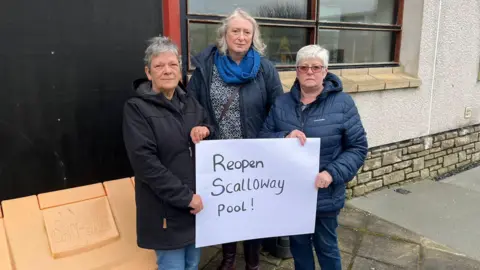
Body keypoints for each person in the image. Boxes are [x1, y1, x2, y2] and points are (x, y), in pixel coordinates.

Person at [186, 8, 284, 270]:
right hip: (219, 154)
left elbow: (278, 109)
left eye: (246, 32)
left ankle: (253, 262)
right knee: (225, 207)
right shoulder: (208, 67)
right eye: (235, 31)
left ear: (254, 37)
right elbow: (193, 105)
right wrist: (200, 126)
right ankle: (228, 259)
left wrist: (278, 138)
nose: (241, 37)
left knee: (251, 208)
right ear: (224, 35)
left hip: (254, 153)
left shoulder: (265, 68)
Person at [259, 44, 368, 270]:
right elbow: (264, 138)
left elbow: (358, 147)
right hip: (292, 193)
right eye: (304, 67)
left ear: (325, 71)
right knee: (298, 246)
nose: (310, 72)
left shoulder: (343, 104)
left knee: (326, 246)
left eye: (316, 67)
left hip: (325, 194)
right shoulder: (282, 103)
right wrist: (284, 136)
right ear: (296, 71)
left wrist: (332, 173)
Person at [122, 36, 214, 270]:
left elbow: (211, 130)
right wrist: (185, 198)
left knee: (192, 265)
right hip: (165, 210)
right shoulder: (137, 109)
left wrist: (206, 129)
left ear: (180, 70)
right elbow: (146, 164)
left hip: (195, 209)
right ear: (148, 72)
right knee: (172, 266)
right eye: (159, 66)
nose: (167, 71)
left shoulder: (190, 103)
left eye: (172, 65)